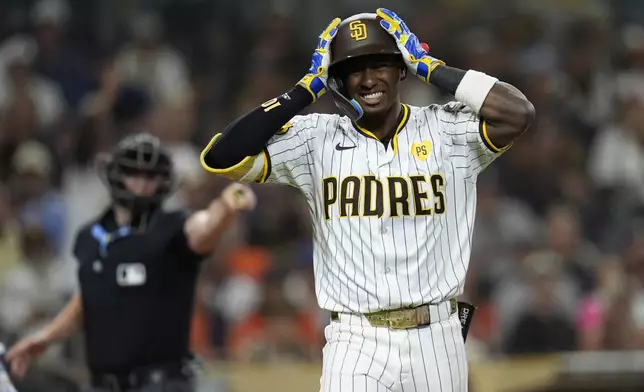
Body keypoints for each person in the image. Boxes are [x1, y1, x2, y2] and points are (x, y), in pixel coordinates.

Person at [200, 9, 534, 392]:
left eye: (381, 64)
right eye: (354, 68)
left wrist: (431, 66)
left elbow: (517, 113)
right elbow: (222, 156)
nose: (369, 79)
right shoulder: (315, 138)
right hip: (356, 337)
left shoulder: (446, 129)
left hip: (437, 334)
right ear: (338, 79)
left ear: (402, 69)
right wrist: (304, 90)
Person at [6, 132, 256, 391]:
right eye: (133, 174)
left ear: (163, 182)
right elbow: (89, 300)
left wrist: (226, 206)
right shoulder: (92, 237)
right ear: (115, 175)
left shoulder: (171, 230)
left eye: (151, 176)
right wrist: (46, 337)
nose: (142, 184)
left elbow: (203, 227)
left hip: (161, 384)